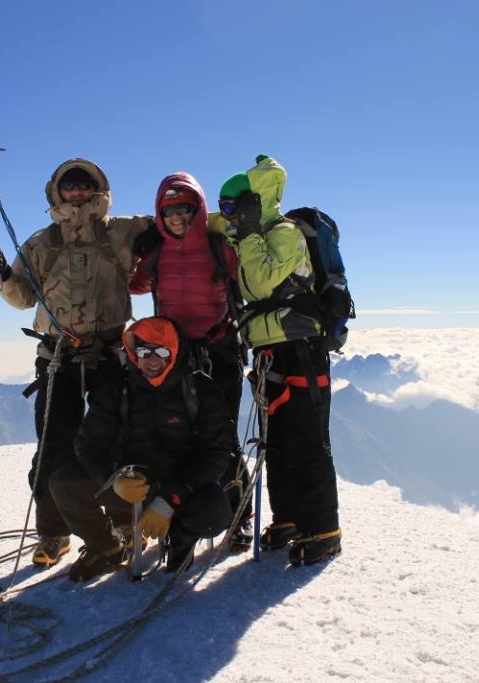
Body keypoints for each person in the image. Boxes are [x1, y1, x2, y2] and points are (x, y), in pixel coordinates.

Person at [0, 159, 151, 568]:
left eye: (85, 185)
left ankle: (122, 523)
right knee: (53, 445)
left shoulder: (123, 230)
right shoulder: (42, 242)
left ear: (99, 189)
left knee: (114, 441)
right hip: (58, 356)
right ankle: (55, 532)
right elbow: (23, 299)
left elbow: (177, 219)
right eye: (69, 186)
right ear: (57, 192)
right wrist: (3, 277)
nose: (77, 192)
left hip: (108, 352)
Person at [217, 154, 342, 566]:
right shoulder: (246, 234)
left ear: (253, 202)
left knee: (307, 440)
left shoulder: (286, 234)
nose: (228, 215)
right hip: (270, 350)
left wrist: (249, 233)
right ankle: (289, 517)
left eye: (233, 206)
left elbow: (259, 282)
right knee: (277, 442)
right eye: (224, 208)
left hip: (301, 347)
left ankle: (323, 529)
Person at [48, 316, 234, 582]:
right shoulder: (118, 387)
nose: (153, 359)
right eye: (145, 351)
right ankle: (105, 546)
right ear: (135, 353)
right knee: (65, 482)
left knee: (214, 512)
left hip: (182, 482)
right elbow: (89, 444)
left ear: (175, 352)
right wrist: (114, 478)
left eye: (161, 351)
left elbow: (217, 452)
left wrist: (172, 498)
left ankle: (180, 539)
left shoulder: (200, 388)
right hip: (132, 483)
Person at [129, 172, 253, 550]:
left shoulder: (219, 246)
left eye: (185, 208)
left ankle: (236, 516)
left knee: (223, 436)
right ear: (159, 215)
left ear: (198, 209)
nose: (178, 217)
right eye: (169, 212)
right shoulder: (157, 250)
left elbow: (244, 280)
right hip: (175, 355)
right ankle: (182, 510)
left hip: (218, 350)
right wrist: (139, 251)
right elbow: (136, 286)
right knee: (178, 436)